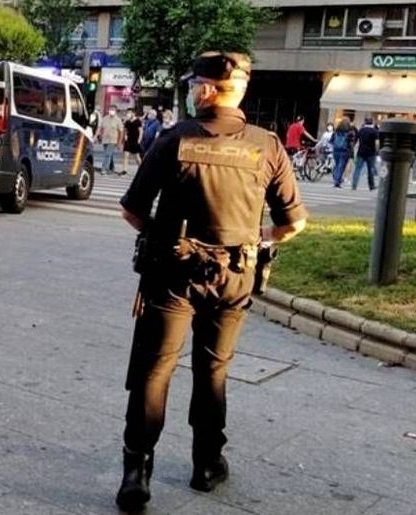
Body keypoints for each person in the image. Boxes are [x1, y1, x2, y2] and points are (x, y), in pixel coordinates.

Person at [115, 51, 308, 511]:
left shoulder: (174, 139)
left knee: (154, 369)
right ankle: (206, 464)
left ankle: (137, 474)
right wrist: (256, 237)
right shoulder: (268, 145)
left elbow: (131, 210)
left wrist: (167, 238)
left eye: (191, 84)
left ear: (205, 90)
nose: (188, 91)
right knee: (213, 370)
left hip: (171, 275)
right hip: (235, 276)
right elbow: (294, 223)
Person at [351, 117, 379, 190]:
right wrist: (377, 151)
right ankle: (371, 186)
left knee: (357, 169)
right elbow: (377, 143)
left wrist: (353, 148)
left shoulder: (361, 130)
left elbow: (355, 140)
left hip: (361, 152)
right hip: (371, 153)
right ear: (372, 122)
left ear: (365, 122)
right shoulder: (375, 131)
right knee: (370, 170)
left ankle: (354, 185)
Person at [98, 105, 124, 175]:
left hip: (113, 140)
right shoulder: (105, 118)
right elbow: (101, 128)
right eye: (110, 109)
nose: (111, 111)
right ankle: (112, 168)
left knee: (107, 154)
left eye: (113, 110)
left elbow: (121, 132)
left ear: (116, 111)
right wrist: (99, 135)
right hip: (105, 140)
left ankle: (104, 169)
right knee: (110, 155)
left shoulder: (118, 120)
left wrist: (119, 142)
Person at [331, 117, 354, 188]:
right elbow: (351, 142)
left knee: (337, 165)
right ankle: (337, 181)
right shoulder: (350, 132)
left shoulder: (336, 131)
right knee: (341, 166)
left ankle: (336, 178)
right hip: (344, 150)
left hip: (336, 150)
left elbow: (331, 140)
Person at [122, 109, 143, 175]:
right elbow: (125, 130)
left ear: (133, 113)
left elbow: (141, 131)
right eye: (127, 113)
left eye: (129, 113)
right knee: (126, 155)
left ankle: (141, 169)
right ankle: (124, 170)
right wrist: (125, 136)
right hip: (128, 140)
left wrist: (139, 140)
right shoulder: (127, 122)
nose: (128, 114)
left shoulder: (138, 121)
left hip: (135, 140)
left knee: (137, 157)